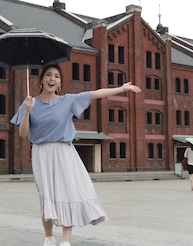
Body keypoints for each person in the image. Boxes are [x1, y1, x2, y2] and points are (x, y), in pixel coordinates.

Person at [10, 64, 142, 246]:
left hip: (64, 151)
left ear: (60, 82)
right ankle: (48, 237)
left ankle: (66, 241)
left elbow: (95, 94)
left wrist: (121, 88)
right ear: (40, 80)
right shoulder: (30, 103)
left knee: (67, 192)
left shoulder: (68, 100)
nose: (52, 79)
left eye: (56, 76)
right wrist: (26, 111)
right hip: (41, 153)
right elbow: (23, 134)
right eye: (48, 75)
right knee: (46, 194)